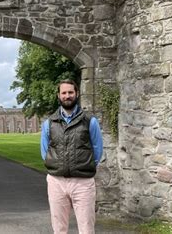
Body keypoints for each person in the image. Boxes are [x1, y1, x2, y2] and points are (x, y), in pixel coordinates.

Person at [41, 79, 103, 234]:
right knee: (59, 228)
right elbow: (45, 151)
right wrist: (57, 166)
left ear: (77, 94)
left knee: (86, 228)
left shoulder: (90, 121)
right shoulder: (49, 123)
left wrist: (83, 166)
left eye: (70, 92)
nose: (67, 96)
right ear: (58, 95)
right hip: (56, 181)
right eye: (64, 93)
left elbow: (97, 150)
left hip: (82, 182)